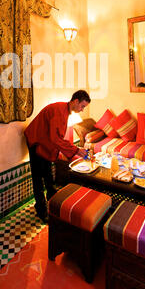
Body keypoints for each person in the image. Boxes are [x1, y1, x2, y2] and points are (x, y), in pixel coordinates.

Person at [24, 90, 91, 221]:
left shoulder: (65, 110)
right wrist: (76, 150)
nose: (82, 110)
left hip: (44, 140)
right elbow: (55, 138)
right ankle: (41, 210)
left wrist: (73, 149)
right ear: (76, 101)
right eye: (82, 106)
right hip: (35, 140)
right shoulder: (59, 111)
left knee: (48, 170)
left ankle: (51, 195)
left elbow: (55, 137)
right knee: (38, 177)